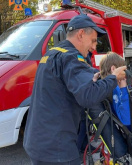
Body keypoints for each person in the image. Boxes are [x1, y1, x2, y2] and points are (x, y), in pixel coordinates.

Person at [23, 14, 126, 165]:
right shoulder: (71, 57)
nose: (94, 47)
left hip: (36, 142)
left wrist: (92, 75)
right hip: (57, 148)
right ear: (81, 34)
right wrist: (113, 77)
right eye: (93, 41)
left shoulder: (51, 54)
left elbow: (65, 83)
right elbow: (88, 96)